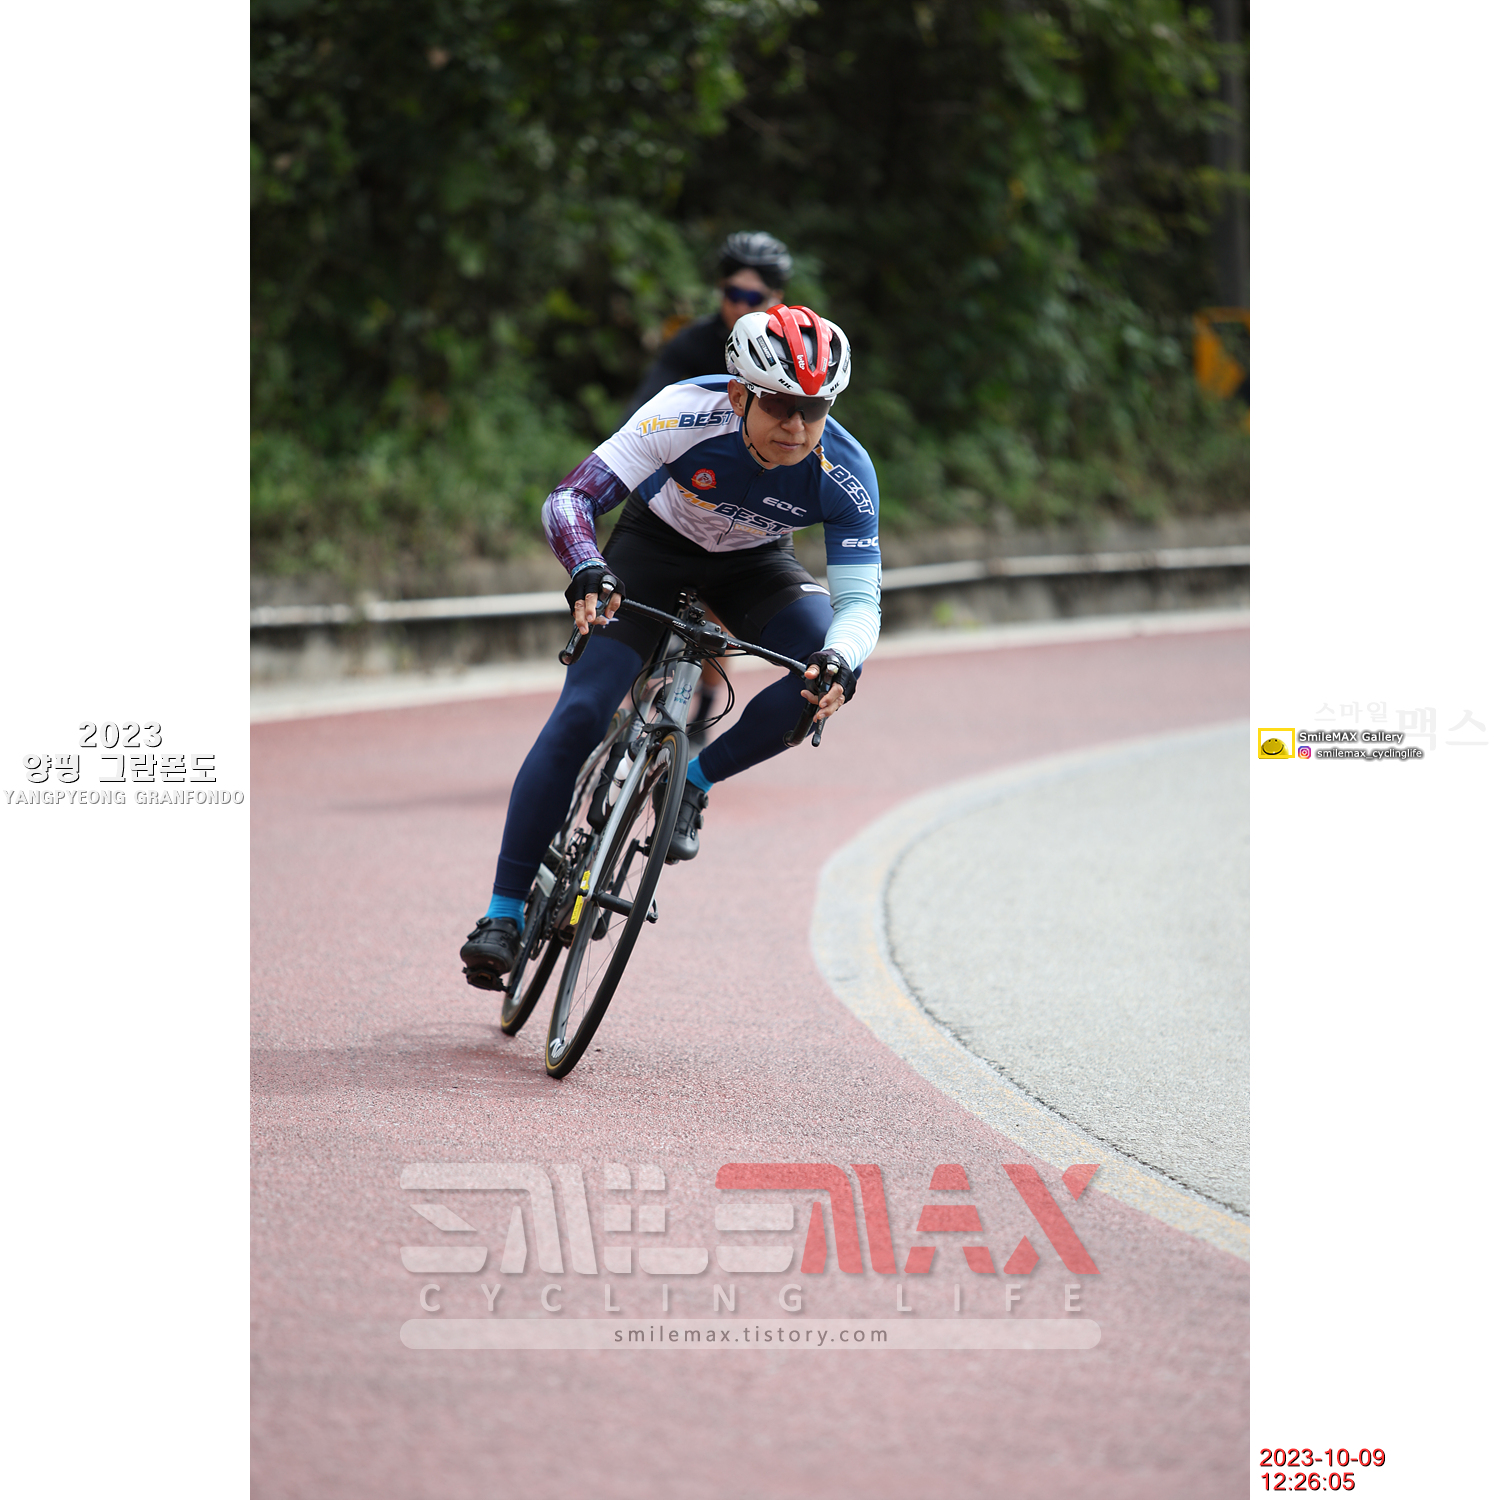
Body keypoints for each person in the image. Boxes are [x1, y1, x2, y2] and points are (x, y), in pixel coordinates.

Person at [460, 302, 881, 989]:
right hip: (653, 546)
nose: (798, 426)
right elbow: (569, 500)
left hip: (755, 567)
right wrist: (586, 565)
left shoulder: (846, 471)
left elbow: (860, 604)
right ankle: (502, 914)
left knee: (824, 672)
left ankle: (692, 781)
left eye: (815, 408)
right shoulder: (681, 414)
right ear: (740, 395)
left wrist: (842, 657)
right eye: (780, 405)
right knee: (582, 713)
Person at [627, 231, 793, 409]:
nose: (741, 307)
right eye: (733, 294)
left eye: (753, 298)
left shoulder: (791, 351)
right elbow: (646, 402)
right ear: (720, 288)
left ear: (776, 298)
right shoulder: (693, 340)